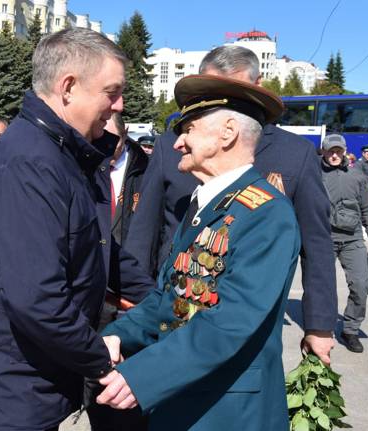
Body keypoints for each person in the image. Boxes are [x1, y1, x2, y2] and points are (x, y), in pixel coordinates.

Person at [0, 28, 152, 431]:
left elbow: (97, 249)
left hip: (26, 374)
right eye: (112, 92)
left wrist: (162, 299)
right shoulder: (31, 163)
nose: (119, 105)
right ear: (68, 87)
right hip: (2, 383)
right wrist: (101, 362)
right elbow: (37, 299)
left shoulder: (65, 153)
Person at [98, 73, 299, 430]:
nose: (177, 143)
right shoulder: (205, 204)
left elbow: (230, 322)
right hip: (182, 398)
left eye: (188, 129)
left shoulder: (266, 213)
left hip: (227, 411)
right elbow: (169, 301)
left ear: (228, 133)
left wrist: (143, 376)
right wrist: (114, 335)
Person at [124, 45, 338, 365]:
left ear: (258, 84)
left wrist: (319, 325)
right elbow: (145, 228)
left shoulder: (295, 154)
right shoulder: (172, 147)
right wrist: (136, 299)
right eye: (212, 89)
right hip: (170, 304)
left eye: (232, 88)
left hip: (245, 317)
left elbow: (317, 244)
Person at [87, 113, 150, 431]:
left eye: (109, 137)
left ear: (123, 138)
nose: (102, 143)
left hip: (136, 302)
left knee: (130, 405)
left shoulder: (149, 169)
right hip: (94, 308)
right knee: (97, 399)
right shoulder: (83, 170)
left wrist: (156, 299)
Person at [321, 134, 368, 353]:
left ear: (344, 151)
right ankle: (320, 329)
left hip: (353, 238)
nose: (334, 155)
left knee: (361, 285)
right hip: (324, 239)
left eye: (338, 151)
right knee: (322, 288)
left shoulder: (357, 177)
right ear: (324, 152)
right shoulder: (314, 175)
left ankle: (350, 330)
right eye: (330, 151)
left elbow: (367, 210)